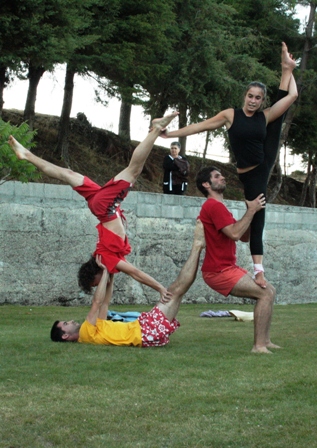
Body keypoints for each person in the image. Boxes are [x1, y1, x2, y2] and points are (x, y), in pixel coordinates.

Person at [160, 42, 298, 289]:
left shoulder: (263, 116)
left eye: (258, 98)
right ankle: (284, 70)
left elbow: (293, 96)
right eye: (250, 96)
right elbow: (200, 126)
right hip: (249, 173)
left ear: (262, 100)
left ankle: (259, 272)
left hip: (263, 164)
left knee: (259, 214)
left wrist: (290, 70)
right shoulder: (230, 115)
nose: (254, 101)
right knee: (255, 210)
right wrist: (170, 135)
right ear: (244, 95)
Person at [8, 112, 178, 301]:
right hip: (99, 206)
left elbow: (136, 273)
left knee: (134, 170)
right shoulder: (103, 257)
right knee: (67, 174)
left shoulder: (106, 260)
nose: (100, 284)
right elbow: (116, 284)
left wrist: (160, 288)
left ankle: (155, 129)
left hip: (105, 208)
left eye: (96, 283)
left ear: (93, 275)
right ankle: (27, 155)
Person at [50, 220, 206, 347]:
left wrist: (109, 275)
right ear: (65, 335)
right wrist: (105, 271)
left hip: (144, 331)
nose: (70, 321)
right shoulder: (85, 333)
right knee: (175, 290)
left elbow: (104, 303)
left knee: (177, 291)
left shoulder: (94, 331)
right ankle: (197, 246)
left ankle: (198, 247)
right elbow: (96, 302)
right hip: (144, 330)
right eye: (65, 323)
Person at [196, 166, 279, 354]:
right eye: (217, 177)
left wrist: (252, 216)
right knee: (264, 294)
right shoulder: (213, 206)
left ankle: (265, 341)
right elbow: (234, 233)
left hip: (227, 267)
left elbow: (243, 236)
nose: (222, 177)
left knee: (270, 291)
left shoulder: (219, 207)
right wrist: (250, 211)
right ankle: (258, 346)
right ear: (206, 184)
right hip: (218, 271)